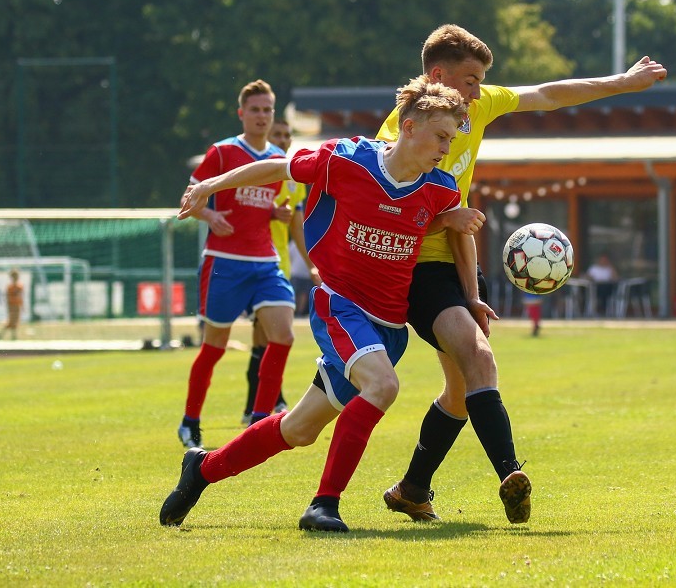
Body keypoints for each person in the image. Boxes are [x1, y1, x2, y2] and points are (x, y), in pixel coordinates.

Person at [161, 76, 486, 532]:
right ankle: (323, 505)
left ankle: (203, 468)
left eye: (451, 140)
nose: (446, 148)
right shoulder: (346, 159)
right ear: (408, 127)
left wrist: (469, 290)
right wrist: (212, 183)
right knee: (384, 387)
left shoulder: (440, 188)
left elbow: (438, 232)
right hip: (341, 305)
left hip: (388, 327)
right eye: (441, 137)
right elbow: (277, 167)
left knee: (298, 429)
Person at [376, 24, 667, 525]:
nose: (476, 92)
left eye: (481, 81)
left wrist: (621, 81)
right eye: (469, 81)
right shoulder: (401, 132)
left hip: (459, 260)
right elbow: (385, 208)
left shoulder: (480, 105)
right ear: (437, 75)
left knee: (462, 393)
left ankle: (411, 489)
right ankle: (510, 474)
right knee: (479, 359)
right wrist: (445, 220)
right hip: (418, 269)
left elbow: (549, 94)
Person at [178, 79, 296, 449]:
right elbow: (188, 199)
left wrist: (276, 213)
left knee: (284, 336)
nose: (262, 116)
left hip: (264, 262)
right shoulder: (223, 153)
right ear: (241, 113)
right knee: (214, 346)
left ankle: (259, 422)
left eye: (268, 110)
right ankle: (190, 421)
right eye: (256, 110)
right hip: (224, 263)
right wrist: (211, 218)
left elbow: (258, 205)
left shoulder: (278, 158)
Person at [241, 119, 321, 426]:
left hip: (279, 267)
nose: (285, 139)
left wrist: (310, 261)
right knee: (265, 338)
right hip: (253, 264)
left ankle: (263, 405)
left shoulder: (293, 180)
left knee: (272, 338)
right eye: (279, 134)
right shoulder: (257, 173)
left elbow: (297, 226)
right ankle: (261, 405)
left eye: (288, 135)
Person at [0, 269, 23, 340]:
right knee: (11, 322)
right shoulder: (10, 287)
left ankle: (13, 336)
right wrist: (9, 307)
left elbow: (21, 297)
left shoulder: (20, 286)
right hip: (12, 306)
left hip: (17, 306)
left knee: (15, 322)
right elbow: (8, 298)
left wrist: (22, 306)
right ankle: (1, 335)